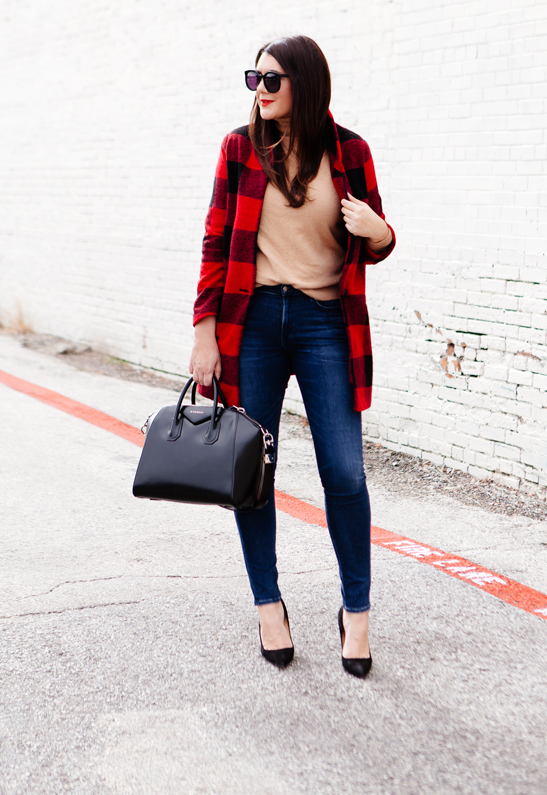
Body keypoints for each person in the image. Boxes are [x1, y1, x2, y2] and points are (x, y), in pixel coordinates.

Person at [190, 35, 395, 677]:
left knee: (344, 473)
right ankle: (269, 606)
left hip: (324, 322)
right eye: (254, 79)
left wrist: (380, 233)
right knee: (253, 472)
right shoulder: (239, 148)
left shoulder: (349, 151)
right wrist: (203, 333)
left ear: (305, 83)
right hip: (252, 325)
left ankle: (354, 614)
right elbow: (216, 241)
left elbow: (379, 236)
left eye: (272, 79)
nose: (261, 90)